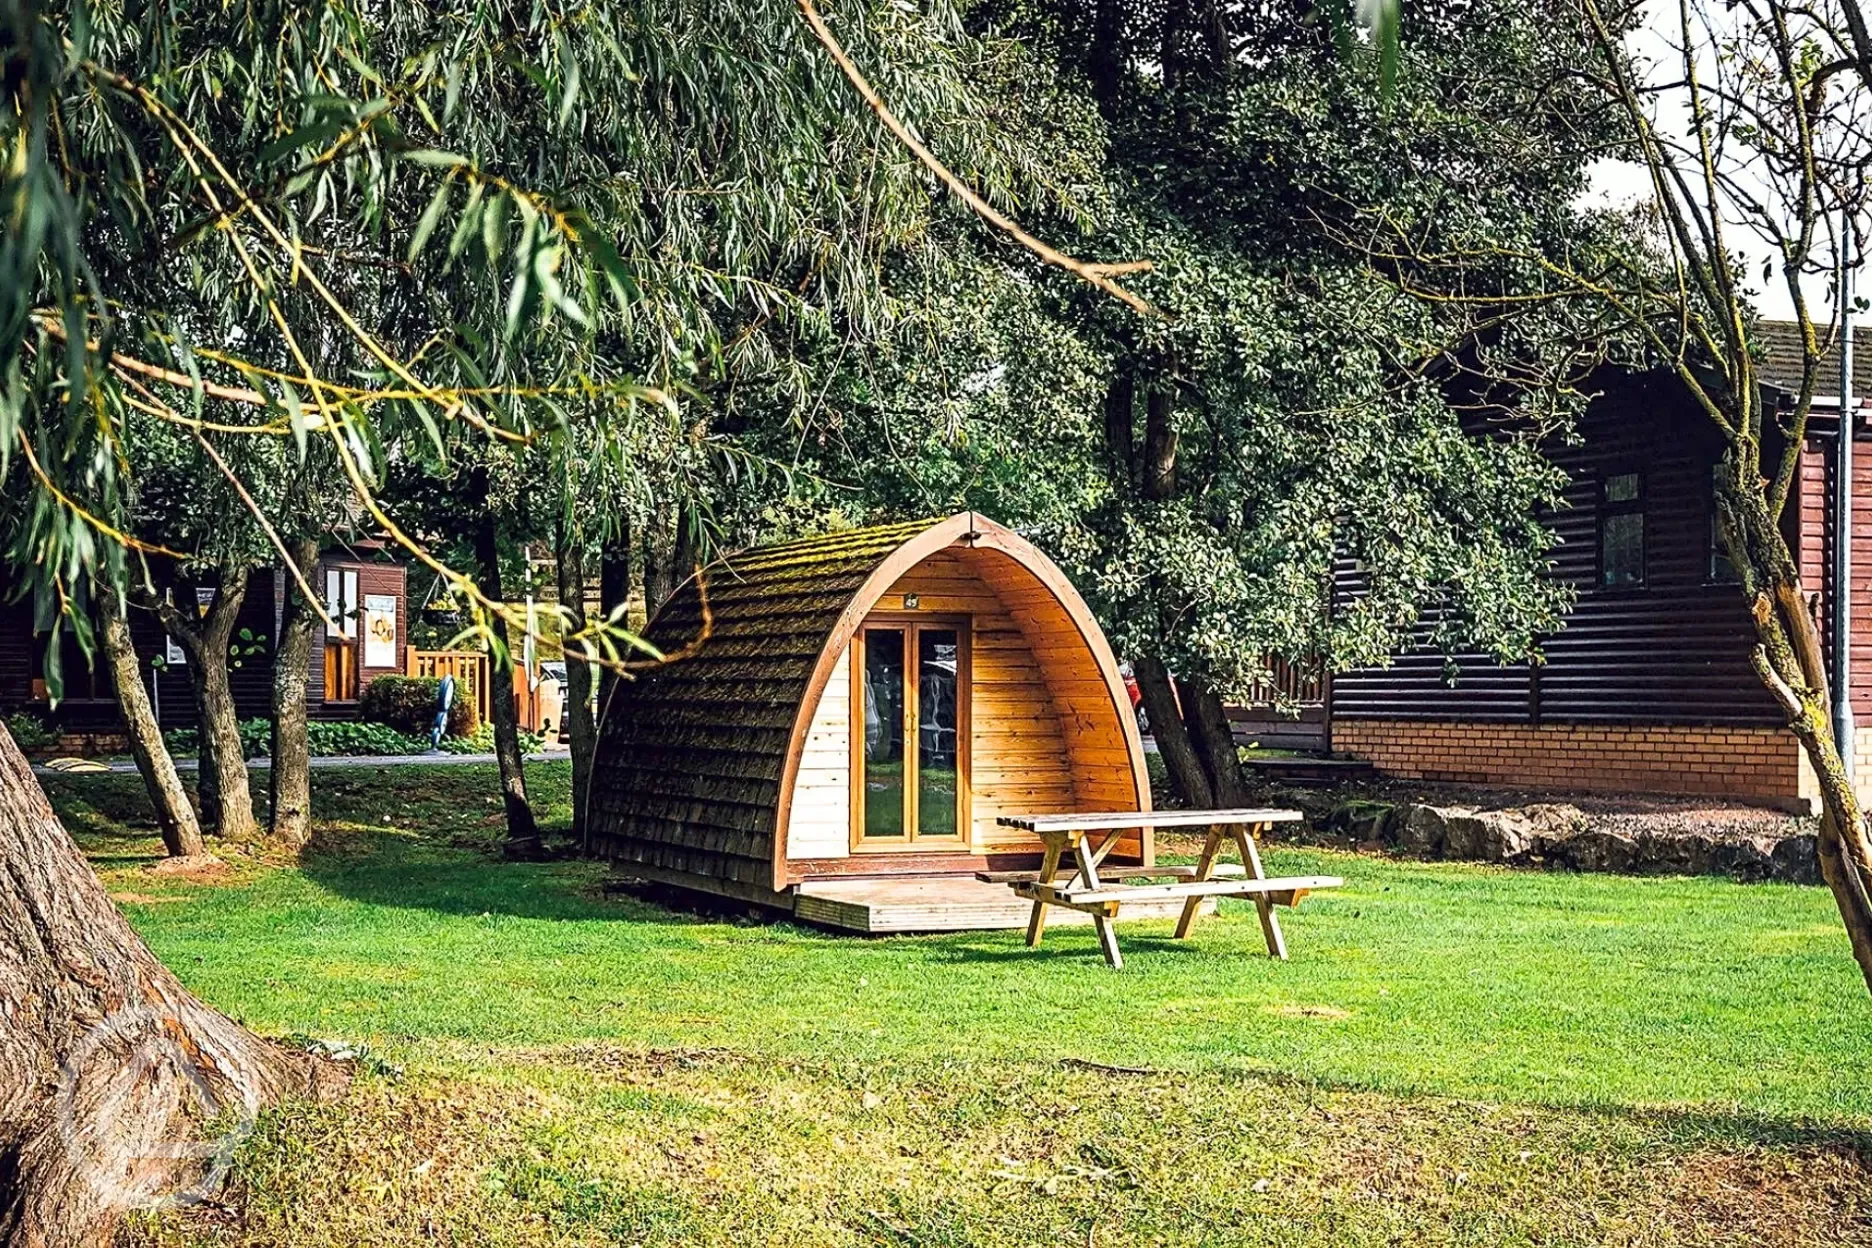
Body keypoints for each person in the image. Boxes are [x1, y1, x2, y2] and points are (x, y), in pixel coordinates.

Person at [430, 673, 456, 750]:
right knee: (439, 725)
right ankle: (434, 745)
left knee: (440, 725)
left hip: (444, 708)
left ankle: (435, 744)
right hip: (443, 708)